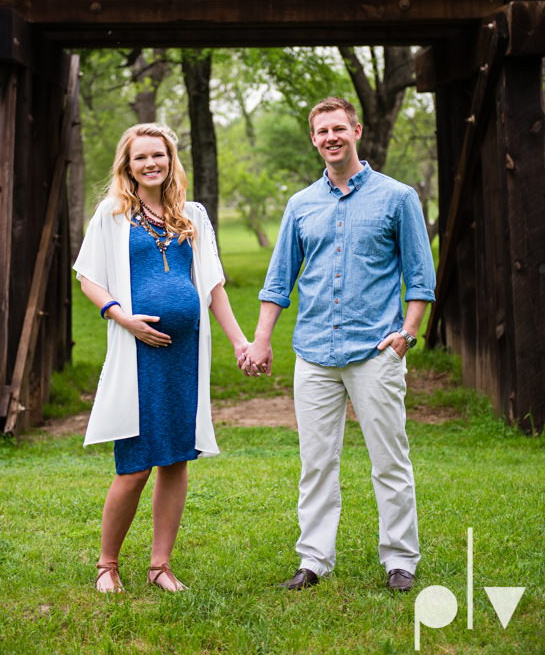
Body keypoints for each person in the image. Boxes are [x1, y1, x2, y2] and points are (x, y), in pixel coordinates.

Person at [240, 96, 436, 593]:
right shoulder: (300, 205)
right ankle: (313, 561)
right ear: (314, 139)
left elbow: (420, 277)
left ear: (357, 130)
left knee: (389, 460)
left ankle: (399, 560)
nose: (330, 137)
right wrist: (262, 340)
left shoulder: (398, 197)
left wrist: (407, 335)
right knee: (316, 463)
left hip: (376, 351)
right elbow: (278, 280)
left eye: (338, 128)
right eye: (321, 131)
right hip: (313, 355)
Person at [74, 122, 249, 594]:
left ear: (172, 160)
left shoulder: (193, 214)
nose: (151, 163)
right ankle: (107, 566)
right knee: (134, 463)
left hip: (185, 356)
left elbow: (212, 285)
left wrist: (238, 342)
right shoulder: (111, 215)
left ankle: (159, 566)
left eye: (160, 155)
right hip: (139, 355)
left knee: (175, 460)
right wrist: (121, 317)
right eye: (140, 157)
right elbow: (88, 277)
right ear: (126, 166)